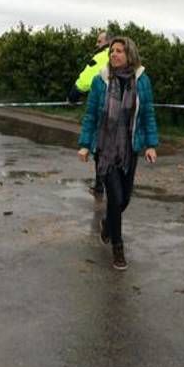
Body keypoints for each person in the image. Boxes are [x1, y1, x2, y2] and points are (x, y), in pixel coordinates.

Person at [77, 36, 159, 270]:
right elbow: (91, 115)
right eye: (112, 51)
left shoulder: (142, 81)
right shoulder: (99, 81)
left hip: (129, 148)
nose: (113, 54)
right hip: (105, 148)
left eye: (119, 51)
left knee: (123, 200)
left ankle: (107, 224)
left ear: (129, 55)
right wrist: (85, 144)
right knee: (114, 196)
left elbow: (148, 115)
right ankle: (118, 248)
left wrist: (150, 145)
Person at [68, 31, 111, 196]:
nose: (96, 44)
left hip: (103, 106)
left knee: (100, 146)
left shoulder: (102, 55)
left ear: (107, 42)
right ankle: (108, 184)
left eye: (99, 41)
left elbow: (86, 79)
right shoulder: (125, 54)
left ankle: (101, 184)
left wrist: (74, 93)